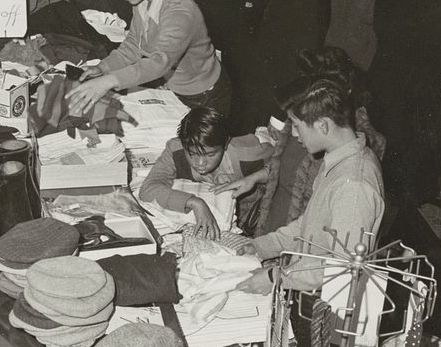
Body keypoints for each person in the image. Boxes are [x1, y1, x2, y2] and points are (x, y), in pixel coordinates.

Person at [233, 73, 385, 294]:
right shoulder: (338, 157)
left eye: (296, 125)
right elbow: (312, 224)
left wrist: (277, 277)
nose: (295, 135)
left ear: (323, 125)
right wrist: (263, 246)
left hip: (323, 300)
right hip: (307, 280)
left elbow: (342, 267)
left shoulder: (353, 186)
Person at [216, 46, 386, 238]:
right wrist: (254, 178)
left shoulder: (342, 147)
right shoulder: (303, 121)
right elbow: (285, 167)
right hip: (279, 222)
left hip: (298, 236)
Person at [66, 0, 230, 116]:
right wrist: (102, 68)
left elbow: (159, 62)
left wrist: (108, 81)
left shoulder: (179, 11)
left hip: (203, 96)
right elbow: (132, 46)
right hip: (176, 87)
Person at [138, 105, 270, 239]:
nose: (200, 163)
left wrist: (254, 177)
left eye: (210, 155)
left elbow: (287, 168)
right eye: (192, 154)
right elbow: (148, 188)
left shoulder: (248, 153)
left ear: (225, 144)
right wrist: (195, 203)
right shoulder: (175, 150)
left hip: (253, 218)